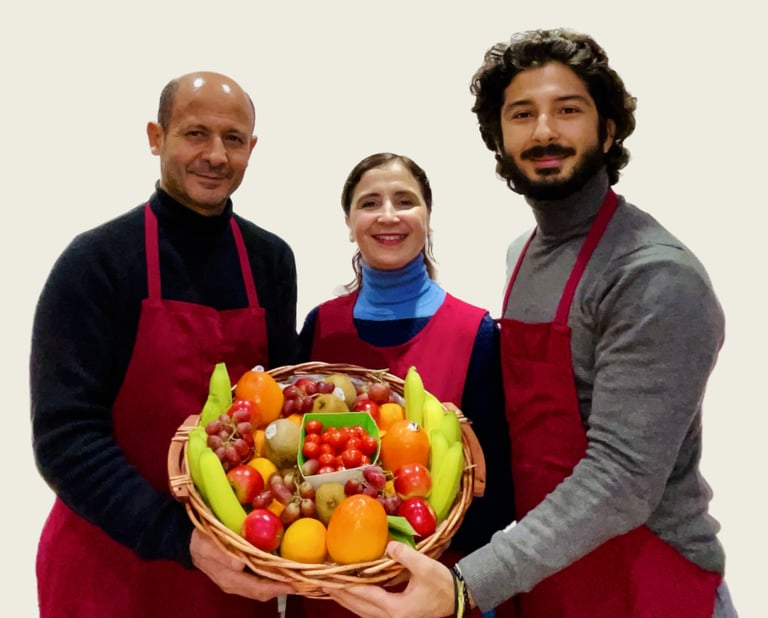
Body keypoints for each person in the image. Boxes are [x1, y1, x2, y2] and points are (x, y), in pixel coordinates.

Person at [325, 28, 738, 618]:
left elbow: (622, 480)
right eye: (522, 114)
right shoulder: (521, 253)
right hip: (551, 578)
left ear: (608, 129)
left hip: (648, 581)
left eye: (567, 110)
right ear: (499, 139)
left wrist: (467, 584)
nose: (544, 131)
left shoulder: (653, 275)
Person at [30, 71, 299, 617]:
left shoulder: (270, 261)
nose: (215, 155)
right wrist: (179, 538)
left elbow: (278, 420)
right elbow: (65, 437)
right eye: (195, 133)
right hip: (109, 567)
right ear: (156, 137)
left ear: (252, 148)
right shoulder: (96, 261)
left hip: (230, 573)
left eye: (233, 139)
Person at [286, 152, 515, 618]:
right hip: (331, 591)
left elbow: (498, 491)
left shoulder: (475, 333)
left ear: (428, 218)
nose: (388, 215)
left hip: (434, 591)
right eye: (370, 203)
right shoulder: (319, 327)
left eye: (405, 201)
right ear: (349, 223)